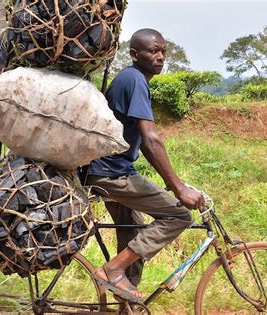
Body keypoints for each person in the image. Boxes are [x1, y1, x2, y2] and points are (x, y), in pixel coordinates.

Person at [82, 28, 205, 301]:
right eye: (153, 51)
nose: (160, 56)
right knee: (179, 216)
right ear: (135, 54)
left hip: (106, 170)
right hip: (111, 174)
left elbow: (144, 143)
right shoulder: (135, 80)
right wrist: (179, 188)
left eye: (163, 51)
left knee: (134, 234)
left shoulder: (131, 78)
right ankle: (112, 270)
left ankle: (127, 302)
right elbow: (150, 138)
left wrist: (174, 183)